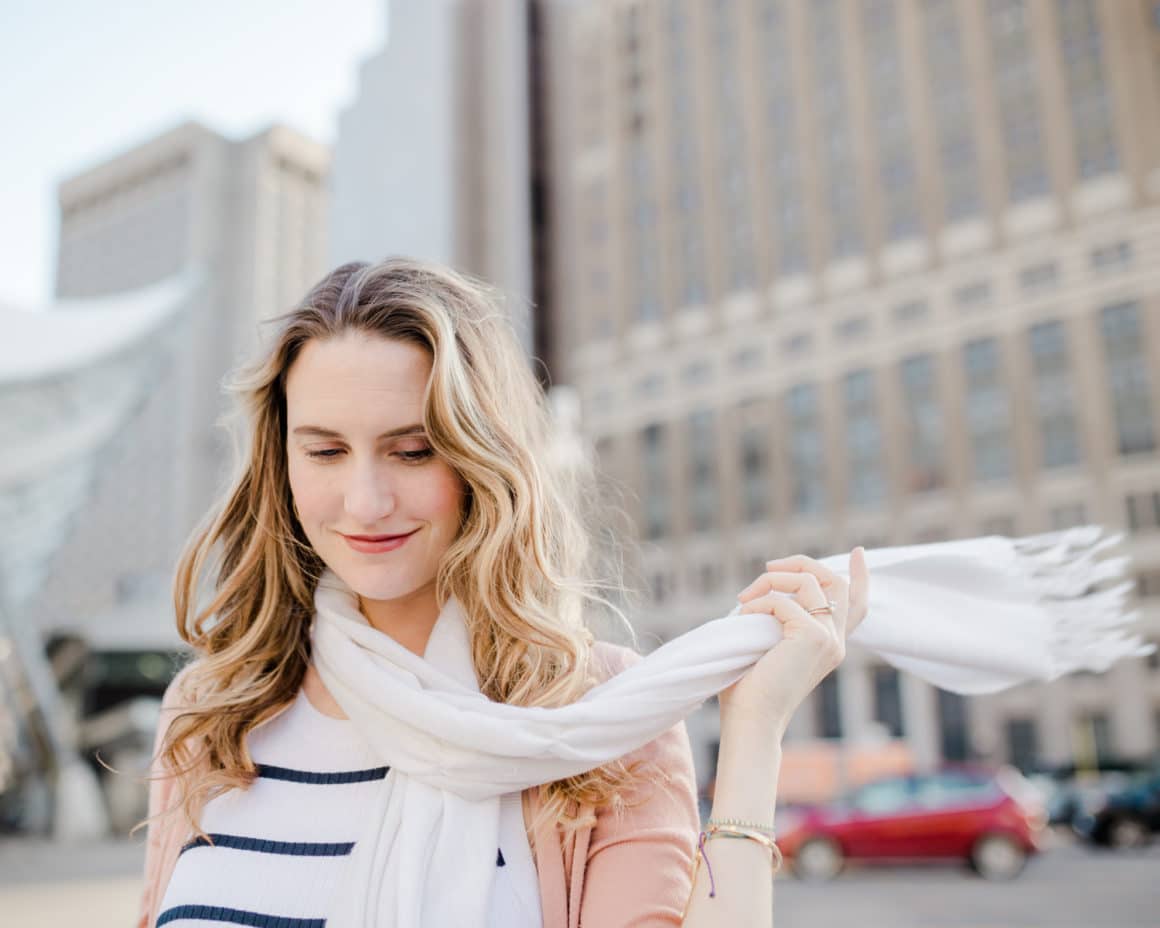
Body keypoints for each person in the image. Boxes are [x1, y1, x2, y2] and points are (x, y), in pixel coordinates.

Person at [137, 256, 870, 928]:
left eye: (412, 450)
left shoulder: (604, 718)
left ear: (482, 458)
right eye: (325, 450)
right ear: (282, 462)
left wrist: (754, 734)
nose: (364, 500)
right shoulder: (211, 714)